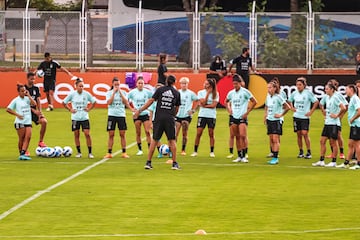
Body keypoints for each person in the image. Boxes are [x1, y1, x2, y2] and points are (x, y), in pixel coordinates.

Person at [134, 75, 181, 170]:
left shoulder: (160, 90)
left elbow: (151, 100)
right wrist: (173, 115)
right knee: (172, 140)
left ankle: (148, 162)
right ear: (174, 82)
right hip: (169, 118)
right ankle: (174, 163)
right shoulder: (176, 93)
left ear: (166, 81)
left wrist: (140, 110)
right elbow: (177, 108)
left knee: (155, 140)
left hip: (158, 118)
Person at [312, 83, 346, 167]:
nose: (325, 90)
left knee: (333, 142)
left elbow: (343, 108)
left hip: (334, 123)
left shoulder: (335, 97)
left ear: (332, 89)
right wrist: (323, 111)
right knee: (322, 141)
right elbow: (321, 104)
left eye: (327, 89)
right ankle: (321, 160)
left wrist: (337, 115)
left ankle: (333, 161)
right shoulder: (326, 97)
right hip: (327, 123)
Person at [225, 74, 257, 163]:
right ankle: (239, 156)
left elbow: (254, 102)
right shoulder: (231, 93)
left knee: (243, 136)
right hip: (233, 117)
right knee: (237, 136)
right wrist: (229, 109)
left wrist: (247, 112)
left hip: (242, 116)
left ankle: (244, 155)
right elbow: (226, 101)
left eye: (236, 84)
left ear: (240, 83)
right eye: (233, 84)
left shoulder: (245, 92)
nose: (235, 85)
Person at [62, 78, 96, 158]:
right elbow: (64, 102)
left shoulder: (86, 94)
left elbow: (94, 102)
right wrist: (70, 109)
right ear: (76, 86)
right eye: (80, 86)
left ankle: (90, 153)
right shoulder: (72, 94)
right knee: (76, 135)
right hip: (75, 118)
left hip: (84, 117)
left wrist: (89, 109)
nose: (81, 88)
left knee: (87, 134)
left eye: (82, 86)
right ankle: (79, 152)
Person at [288, 77, 319, 159]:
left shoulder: (308, 93)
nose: (298, 86)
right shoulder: (294, 93)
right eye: (297, 85)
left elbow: (316, 102)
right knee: (298, 134)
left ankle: (309, 151)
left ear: (304, 85)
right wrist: (291, 107)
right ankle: (301, 151)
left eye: (300, 85)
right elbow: (289, 100)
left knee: (305, 133)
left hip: (304, 117)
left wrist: (311, 111)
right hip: (296, 116)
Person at [104, 77, 134, 159]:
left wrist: (120, 92)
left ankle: (124, 152)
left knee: (122, 134)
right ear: (112, 84)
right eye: (115, 84)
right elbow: (109, 103)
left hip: (121, 115)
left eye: (118, 84)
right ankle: (109, 152)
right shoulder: (109, 93)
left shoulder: (123, 92)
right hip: (112, 115)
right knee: (111, 134)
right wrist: (113, 93)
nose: (117, 86)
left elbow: (126, 102)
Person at [6, 84, 37, 160]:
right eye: (22, 91)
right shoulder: (16, 100)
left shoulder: (27, 99)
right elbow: (8, 109)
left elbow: (34, 104)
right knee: (22, 138)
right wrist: (17, 115)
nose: (24, 92)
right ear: (18, 92)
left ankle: (23, 152)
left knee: (28, 137)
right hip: (20, 122)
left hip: (28, 121)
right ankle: (21, 153)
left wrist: (29, 96)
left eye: (24, 91)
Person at [191, 78, 219, 157]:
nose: (204, 85)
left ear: (210, 85)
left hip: (211, 116)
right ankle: (195, 151)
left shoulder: (216, 94)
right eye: (204, 83)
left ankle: (212, 151)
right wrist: (207, 95)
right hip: (202, 115)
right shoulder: (200, 92)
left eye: (206, 84)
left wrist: (205, 106)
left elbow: (213, 105)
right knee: (199, 133)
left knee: (211, 133)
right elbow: (203, 102)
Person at [264, 80, 290, 165]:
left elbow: (287, 107)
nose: (269, 89)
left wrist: (280, 115)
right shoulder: (268, 97)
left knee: (275, 139)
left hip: (276, 121)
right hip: (269, 120)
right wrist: (266, 116)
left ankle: (275, 157)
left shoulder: (278, 97)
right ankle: (273, 155)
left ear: (275, 88)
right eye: (268, 88)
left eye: (270, 87)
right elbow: (267, 107)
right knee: (271, 139)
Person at [127, 76, 153, 155]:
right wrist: (131, 109)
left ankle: (149, 148)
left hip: (145, 114)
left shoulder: (147, 92)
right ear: (136, 84)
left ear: (144, 84)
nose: (141, 85)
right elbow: (126, 100)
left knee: (147, 131)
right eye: (139, 83)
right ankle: (140, 149)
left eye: (142, 83)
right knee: (138, 132)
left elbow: (152, 100)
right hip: (136, 114)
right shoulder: (132, 92)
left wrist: (150, 109)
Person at [336, 85, 360, 169]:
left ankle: (358, 164)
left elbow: (359, 111)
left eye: (347, 89)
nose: (345, 90)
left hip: (356, 125)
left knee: (357, 144)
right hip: (353, 125)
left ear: (351, 90)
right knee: (350, 144)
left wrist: (352, 119)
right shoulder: (352, 99)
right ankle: (346, 163)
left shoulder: (355, 98)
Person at [175, 77, 198, 155]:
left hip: (186, 116)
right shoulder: (177, 92)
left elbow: (197, 101)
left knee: (184, 133)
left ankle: (183, 150)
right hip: (178, 115)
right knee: (175, 133)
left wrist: (193, 110)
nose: (183, 85)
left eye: (185, 83)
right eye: (182, 83)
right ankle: (173, 149)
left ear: (187, 84)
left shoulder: (191, 93)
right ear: (180, 84)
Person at [25, 72, 48, 151]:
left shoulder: (36, 88)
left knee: (44, 121)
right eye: (31, 79)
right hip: (25, 112)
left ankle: (41, 141)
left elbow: (38, 100)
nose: (33, 80)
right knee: (26, 132)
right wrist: (34, 111)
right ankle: (25, 150)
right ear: (27, 79)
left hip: (35, 112)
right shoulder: (23, 89)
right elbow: (24, 103)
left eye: (34, 79)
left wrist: (40, 112)